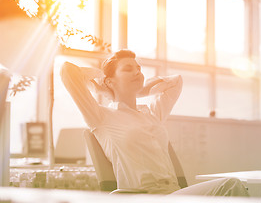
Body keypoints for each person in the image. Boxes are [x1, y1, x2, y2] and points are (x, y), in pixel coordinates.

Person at [61, 49, 249, 196]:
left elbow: (176, 82)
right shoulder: (101, 117)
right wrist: (102, 81)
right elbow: (68, 71)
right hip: (144, 197)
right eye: (128, 69)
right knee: (230, 186)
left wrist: (142, 90)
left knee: (236, 189)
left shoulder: (151, 114)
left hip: (173, 194)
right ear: (110, 81)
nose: (137, 72)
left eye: (139, 69)